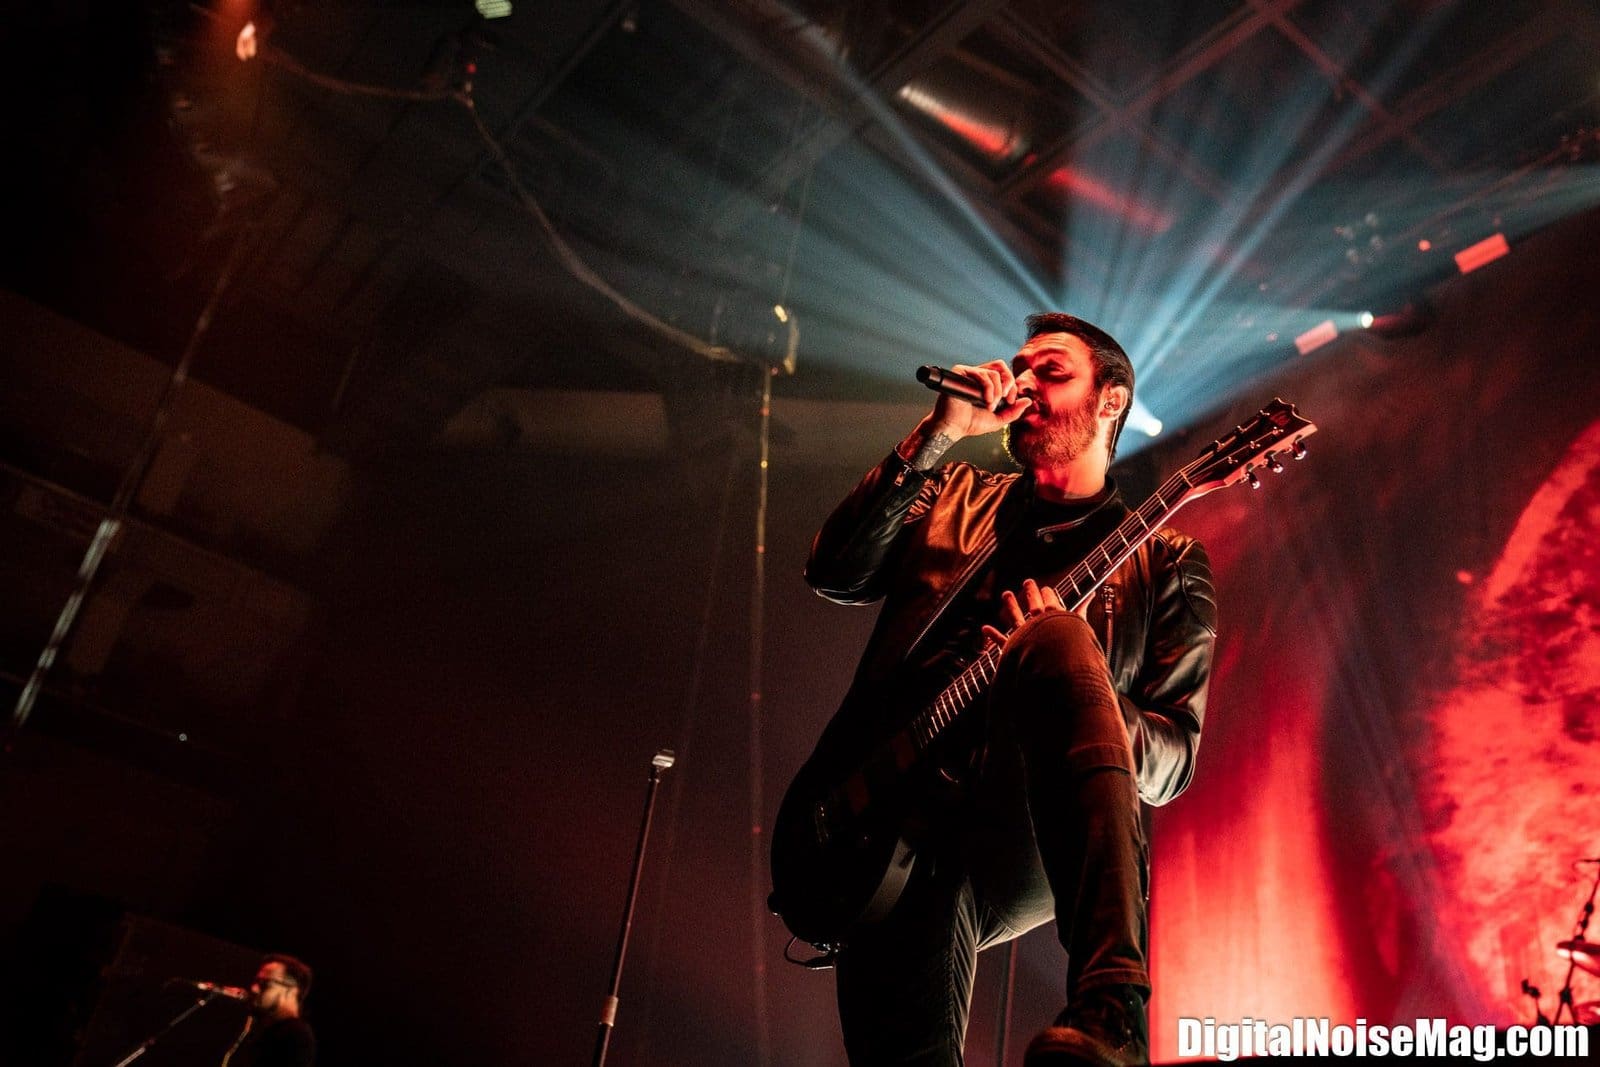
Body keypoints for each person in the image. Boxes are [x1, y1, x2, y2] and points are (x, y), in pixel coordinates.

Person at [801, 313, 1217, 1066]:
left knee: (1054, 635)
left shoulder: (1168, 562)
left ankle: (1110, 1003)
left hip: (1028, 815)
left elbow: (1172, 762)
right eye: (1018, 367)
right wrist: (937, 434)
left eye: (1051, 371)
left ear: (1111, 401)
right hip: (894, 820)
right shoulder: (957, 491)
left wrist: (1075, 666)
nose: (1023, 382)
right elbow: (834, 570)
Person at [220, 954, 316, 1067]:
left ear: (292, 991)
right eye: (256, 981)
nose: (254, 989)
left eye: (265, 983)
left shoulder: (296, 1036)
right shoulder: (265, 1030)